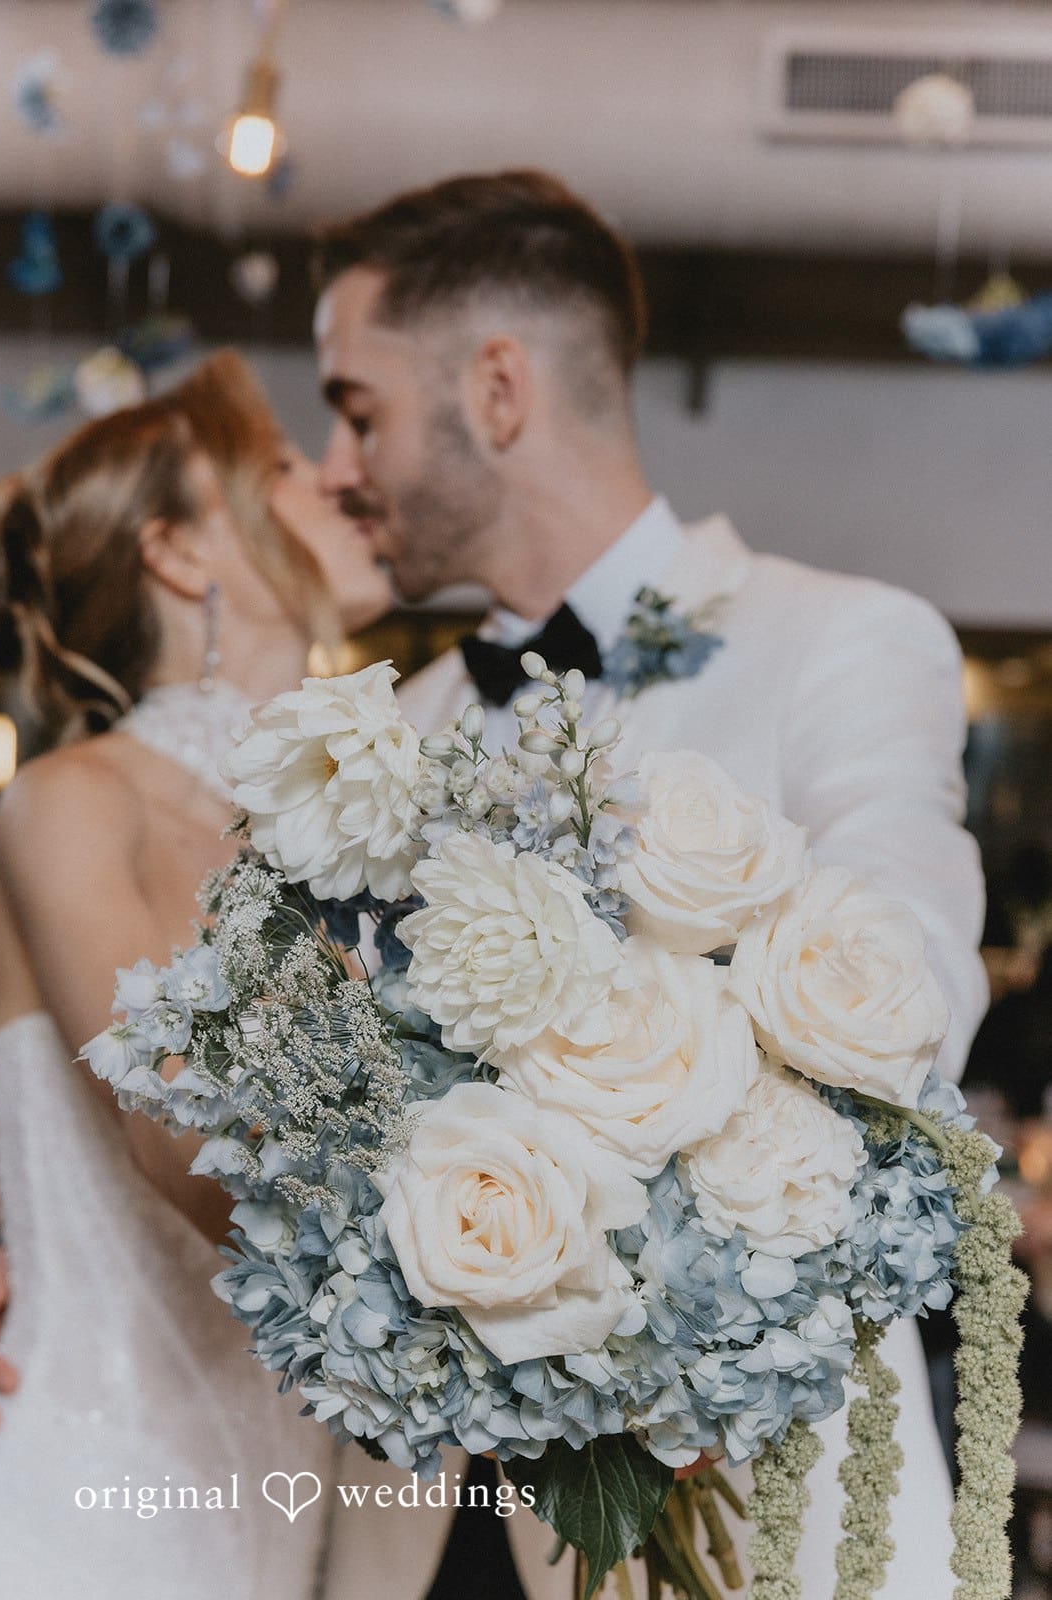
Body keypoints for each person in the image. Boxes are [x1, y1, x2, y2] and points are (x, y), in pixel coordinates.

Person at [308, 170, 989, 1600]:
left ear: (495, 390)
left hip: (749, 1516)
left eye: (355, 408)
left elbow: (908, 989)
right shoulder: (398, 726)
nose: (330, 465)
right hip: (420, 1532)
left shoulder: (842, 643)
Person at [0, 350, 392, 1599]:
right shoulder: (67, 801)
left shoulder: (358, 825)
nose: (337, 481)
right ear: (176, 552)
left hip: (286, 1528)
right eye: (277, 470)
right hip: (89, 1519)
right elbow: (187, 1141)